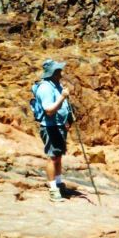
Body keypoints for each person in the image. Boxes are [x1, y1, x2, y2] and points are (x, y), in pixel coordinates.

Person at [37, 58, 74, 201]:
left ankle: (58, 184)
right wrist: (63, 97)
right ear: (52, 73)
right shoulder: (45, 88)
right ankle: (53, 189)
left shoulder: (56, 85)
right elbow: (49, 110)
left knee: (58, 156)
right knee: (53, 157)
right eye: (58, 71)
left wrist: (67, 119)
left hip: (59, 126)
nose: (61, 73)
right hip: (51, 127)